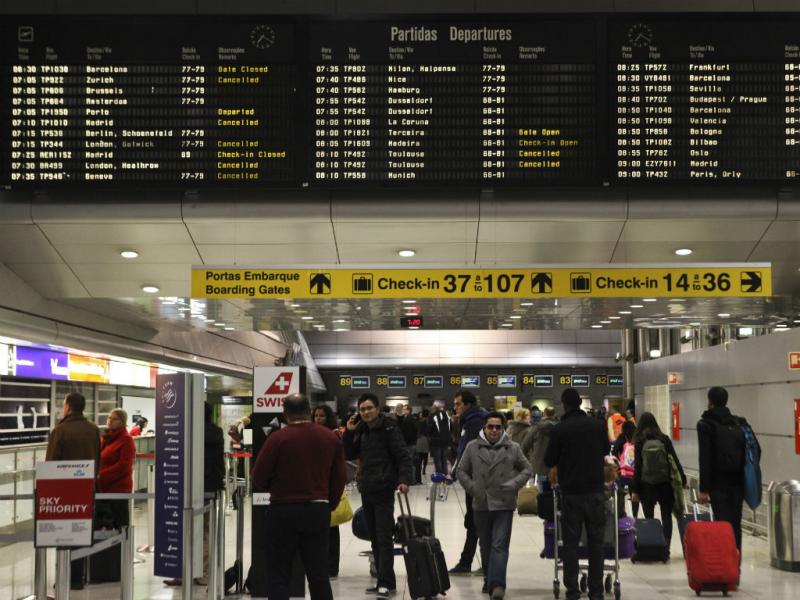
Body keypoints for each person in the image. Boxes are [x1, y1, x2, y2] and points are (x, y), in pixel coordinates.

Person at [252, 394, 346, 600]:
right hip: (317, 510)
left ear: (285, 414)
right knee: (318, 574)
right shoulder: (330, 438)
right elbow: (340, 477)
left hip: (282, 512)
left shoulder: (277, 438)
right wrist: (328, 503)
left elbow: (258, 476)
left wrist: (277, 489)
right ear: (310, 410)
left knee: (278, 575)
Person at [343, 394, 412, 600]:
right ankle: (382, 579)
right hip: (367, 488)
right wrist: (349, 431)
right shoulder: (362, 430)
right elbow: (349, 453)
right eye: (362, 409)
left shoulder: (389, 427)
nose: (365, 412)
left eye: (369, 408)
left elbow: (402, 455)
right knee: (374, 537)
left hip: (383, 488)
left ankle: (386, 582)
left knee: (383, 537)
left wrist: (404, 480)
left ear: (378, 408)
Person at [458, 412, 533, 600]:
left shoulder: (513, 447)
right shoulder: (472, 447)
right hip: (481, 503)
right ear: (484, 428)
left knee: (499, 546)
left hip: (504, 504)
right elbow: (461, 470)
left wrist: (514, 484)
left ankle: (497, 584)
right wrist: (474, 488)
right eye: (490, 427)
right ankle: (488, 579)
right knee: (485, 545)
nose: (493, 430)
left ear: (503, 428)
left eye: (497, 427)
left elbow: (527, 469)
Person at [544, 389, 608, 600]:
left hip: (571, 494)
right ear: (580, 403)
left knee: (570, 544)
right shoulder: (598, 425)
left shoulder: (560, 429)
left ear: (563, 404)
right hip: (596, 492)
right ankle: (596, 592)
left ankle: (572, 591)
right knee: (596, 544)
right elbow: (606, 450)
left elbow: (548, 459)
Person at [46, 392, 101, 591]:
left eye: (63, 405)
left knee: (62, 535)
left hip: (63, 492)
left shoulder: (60, 430)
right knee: (81, 532)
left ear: (69, 407)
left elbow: (51, 463)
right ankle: (78, 577)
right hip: (86, 489)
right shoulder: (93, 429)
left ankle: (65, 576)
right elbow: (98, 459)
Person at [697, 386, 756, 555]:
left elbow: (705, 458)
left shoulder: (706, 424)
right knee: (735, 525)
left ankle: (724, 566)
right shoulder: (739, 423)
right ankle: (735, 566)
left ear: (710, 401)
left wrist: (704, 489)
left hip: (717, 484)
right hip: (738, 483)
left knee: (721, 525)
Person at [630, 412, 686, 553]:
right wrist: (682, 478)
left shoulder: (640, 441)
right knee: (666, 515)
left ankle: (652, 546)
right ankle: (666, 547)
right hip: (665, 484)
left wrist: (635, 489)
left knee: (649, 517)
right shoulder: (664, 439)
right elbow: (674, 460)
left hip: (646, 485)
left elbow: (637, 467)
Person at [448, 389, 488, 576]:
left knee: (477, 522)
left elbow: (465, 452)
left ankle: (475, 563)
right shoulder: (473, 420)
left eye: (458, 404)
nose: (455, 407)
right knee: (474, 521)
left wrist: (454, 473)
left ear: (468, 405)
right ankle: (469, 562)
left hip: (477, 480)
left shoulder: (474, 422)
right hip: (476, 478)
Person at [313, 404, 343, 578]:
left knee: (331, 528)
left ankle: (332, 567)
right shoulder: (311, 434)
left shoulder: (333, 435)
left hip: (328, 486)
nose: (318, 419)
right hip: (315, 485)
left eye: (322, 416)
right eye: (316, 415)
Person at [97, 408, 135, 529]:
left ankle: (123, 547)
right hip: (103, 488)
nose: (110, 420)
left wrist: (101, 476)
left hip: (118, 489)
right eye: (109, 417)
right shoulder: (105, 438)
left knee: (120, 524)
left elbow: (123, 466)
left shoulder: (127, 440)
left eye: (115, 419)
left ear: (122, 422)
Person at [521, 406, 557, 492]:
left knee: (542, 492)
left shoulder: (536, 428)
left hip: (539, 466)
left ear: (544, 414)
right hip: (555, 467)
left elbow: (525, 446)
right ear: (554, 414)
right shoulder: (559, 427)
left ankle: (544, 504)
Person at [611, 420, 639, 518]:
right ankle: (635, 516)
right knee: (635, 494)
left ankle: (621, 514)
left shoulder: (622, 437)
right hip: (635, 472)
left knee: (620, 493)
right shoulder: (637, 438)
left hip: (623, 472)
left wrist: (619, 462)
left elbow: (614, 452)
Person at [395, 403, 418, 483]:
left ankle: (412, 480)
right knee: (408, 462)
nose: (403, 411)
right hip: (407, 443)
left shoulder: (411, 419)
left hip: (410, 443)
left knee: (410, 462)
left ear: (408, 410)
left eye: (404, 409)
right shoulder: (404, 419)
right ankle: (410, 479)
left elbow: (415, 430)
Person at [427, 401, 451, 475]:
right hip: (446, 440)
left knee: (437, 459)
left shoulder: (432, 416)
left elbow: (429, 428)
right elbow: (450, 427)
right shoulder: (446, 415)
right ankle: (445, 473)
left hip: (436, 441)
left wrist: (430, 436)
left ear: (434, 408)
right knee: (444, 458)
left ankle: (439, 474)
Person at [414, 410, 430, 484]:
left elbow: (417, 430)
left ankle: (419, 472)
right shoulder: (429, 421)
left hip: (420, 439)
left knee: (419, 458)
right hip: (426, 439)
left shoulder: (419, 422)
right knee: (425, 456)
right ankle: (424, 469)